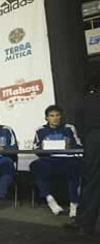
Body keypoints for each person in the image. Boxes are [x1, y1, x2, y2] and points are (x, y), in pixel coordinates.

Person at [30, 105, 83, 218]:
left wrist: (70, 147)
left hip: (67, 160)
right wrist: (42, 149)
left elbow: (79, 146)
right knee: (35, 165)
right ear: (46, 118)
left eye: (57, 115)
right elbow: (35, 149)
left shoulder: (69, 128)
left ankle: (74, 204)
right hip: (49, 160)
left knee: (74, 167)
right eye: (51, 116)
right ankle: (50, 200)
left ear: (61, 116)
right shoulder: (40, 130)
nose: (55, 118)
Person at [64, 91, 100, 235]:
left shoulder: (86, 100)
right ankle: (84, 223)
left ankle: (84, 224)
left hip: (94, 140)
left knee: (91, 183)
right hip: (94, 139)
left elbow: (79, 126)